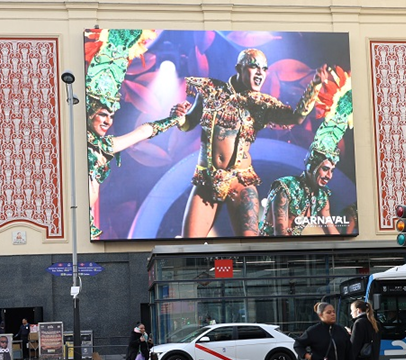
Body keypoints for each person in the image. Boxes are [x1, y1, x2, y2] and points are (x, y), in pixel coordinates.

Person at [176, 49, 330, 238]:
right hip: (208, 179)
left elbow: (297, 118)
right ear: (238, 68)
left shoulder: (262, 103)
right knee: (189, 243)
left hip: (240, 182)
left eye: (264, 69)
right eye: (253, 66)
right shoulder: (210, 91)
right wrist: (180, 118)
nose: (260, 73)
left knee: (251, 247)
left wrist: (314, 86)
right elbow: (189, 123)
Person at [84, 29, 186, 239]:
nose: (108, 121)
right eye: (103, 114)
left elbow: (141, 132)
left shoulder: (104, 147)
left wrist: (172, 120)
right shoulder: (72, 145)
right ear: (89, 113)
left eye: (111, 116)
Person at [259, 69, 353, 236]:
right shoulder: (285, 186)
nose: (329, 176)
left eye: (331, 170)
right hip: (270, 254)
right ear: (311, 165)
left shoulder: (321, 197)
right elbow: (280, 234)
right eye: (325, 169)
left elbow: (332, 232)